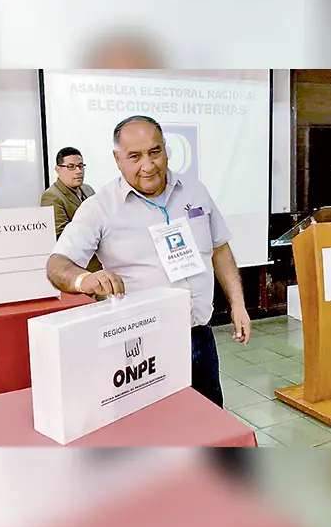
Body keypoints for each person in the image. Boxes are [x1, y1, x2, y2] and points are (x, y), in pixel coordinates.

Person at [46, 115, 251, 408]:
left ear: (166, 149)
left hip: (200, 338)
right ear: (117, 159)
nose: (148, 165)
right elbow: (57, 264)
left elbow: (220, 248)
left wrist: (238, 304)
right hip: (142, 348)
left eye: (155, 152)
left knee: (210, 420)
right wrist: (84, 280)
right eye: (135, 156)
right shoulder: (100, 208)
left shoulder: (194, 190)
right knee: (156, 427)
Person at [40, 146, 100, 272]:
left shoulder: (88, 189)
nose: (78, 171)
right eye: (71, 167)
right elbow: (61, 237)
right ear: (58, 170)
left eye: (80, 166)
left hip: (100, 259)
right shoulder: (51, 196)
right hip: (78, 265)